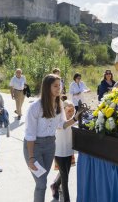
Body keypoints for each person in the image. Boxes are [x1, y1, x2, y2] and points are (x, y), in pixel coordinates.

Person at [24, 74, 81, 202]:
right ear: (46, 87)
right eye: (55, 86)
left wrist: (76, 117)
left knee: (43, 179)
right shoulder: (35, 107)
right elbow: (30, 135)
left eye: (59, 85)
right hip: (34, 147)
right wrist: (31, 158)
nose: (58, 88)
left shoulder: (59, 104)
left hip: (50, 146)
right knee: (41, 183)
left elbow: (61, 125)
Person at [50, 100, 76, 202]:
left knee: (64, 174)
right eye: (69, 110)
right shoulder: (58, 119)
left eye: (73, 110)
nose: (71, 113)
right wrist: (74, 118)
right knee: (65, 179)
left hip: (69, 152)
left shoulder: (73, 120)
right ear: (63, 110)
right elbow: (64, 125)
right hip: (59, 152)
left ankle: (55, 185)